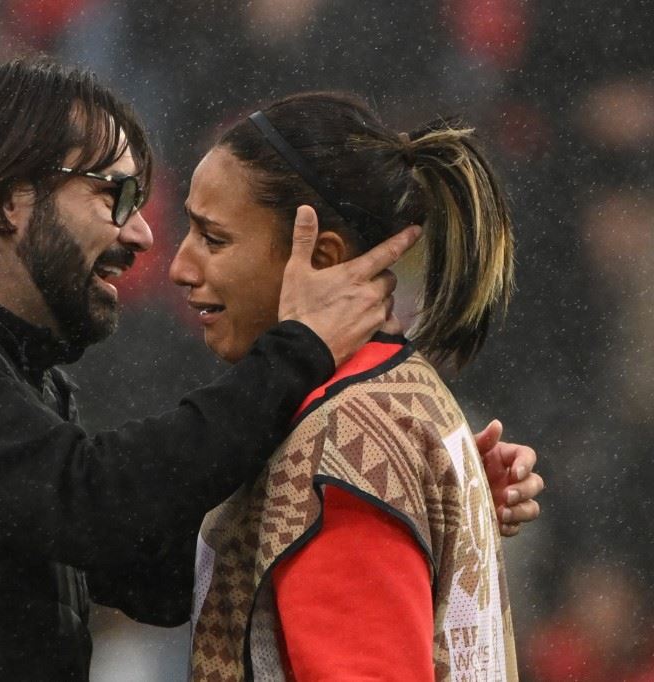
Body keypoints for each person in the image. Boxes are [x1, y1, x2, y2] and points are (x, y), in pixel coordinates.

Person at [0, 60, 535, 680]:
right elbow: (102, 508)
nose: (146, 239)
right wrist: (295, 354)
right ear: (11, 200)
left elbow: (150, 572)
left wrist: (394, 499)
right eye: (114, 196)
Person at [176, 92, 532, 680]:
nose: (179, 267)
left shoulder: (341, 445)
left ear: (321, 257)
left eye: (213, 239)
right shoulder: (401, 397)